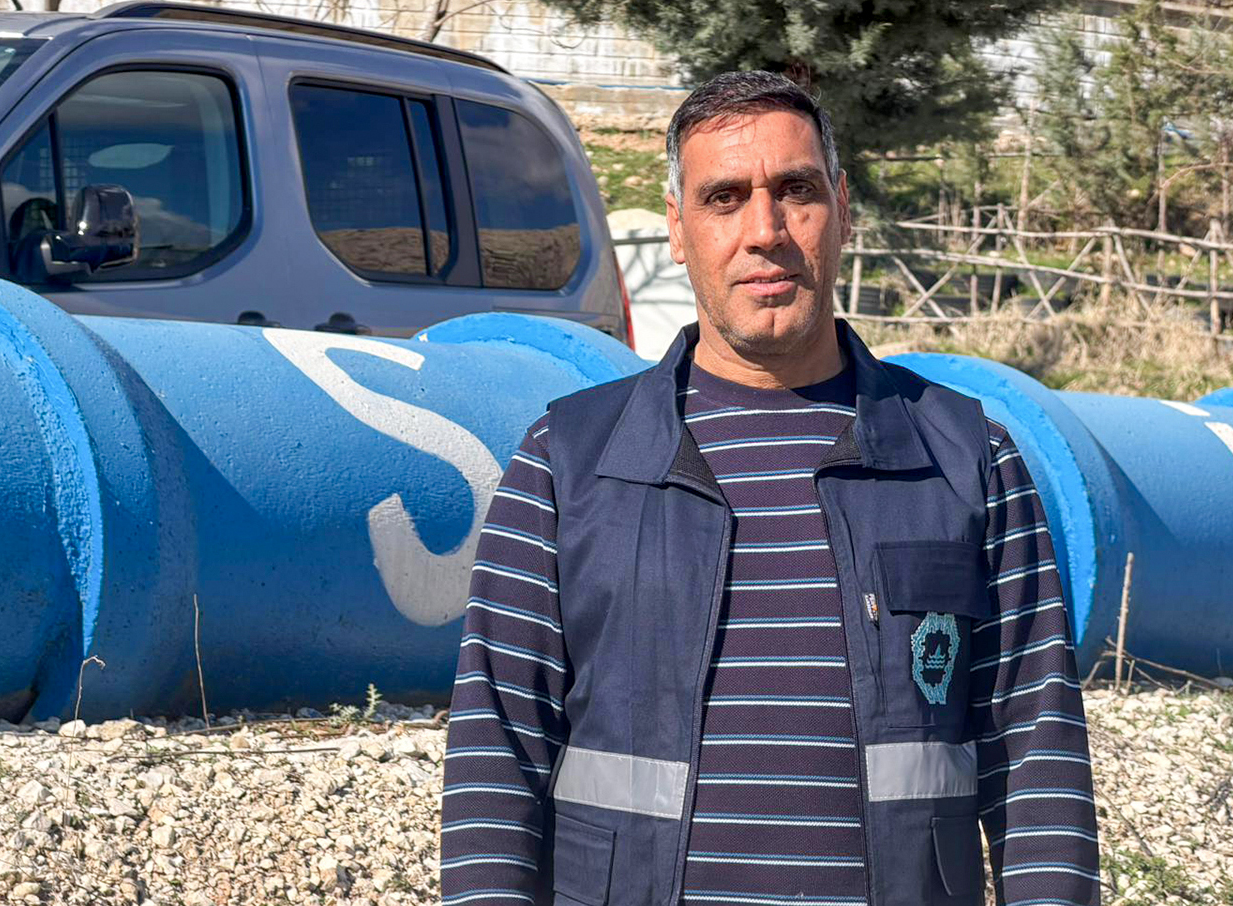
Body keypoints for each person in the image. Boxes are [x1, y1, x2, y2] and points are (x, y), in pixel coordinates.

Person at [440, 70, 1100, 906]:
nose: (765, 231)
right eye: (724, 198)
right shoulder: (566, 462)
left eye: (796, 191)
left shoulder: (969, 458)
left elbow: (1038, 758)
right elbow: (495, 756)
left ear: (842, 209)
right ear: (677, 229)